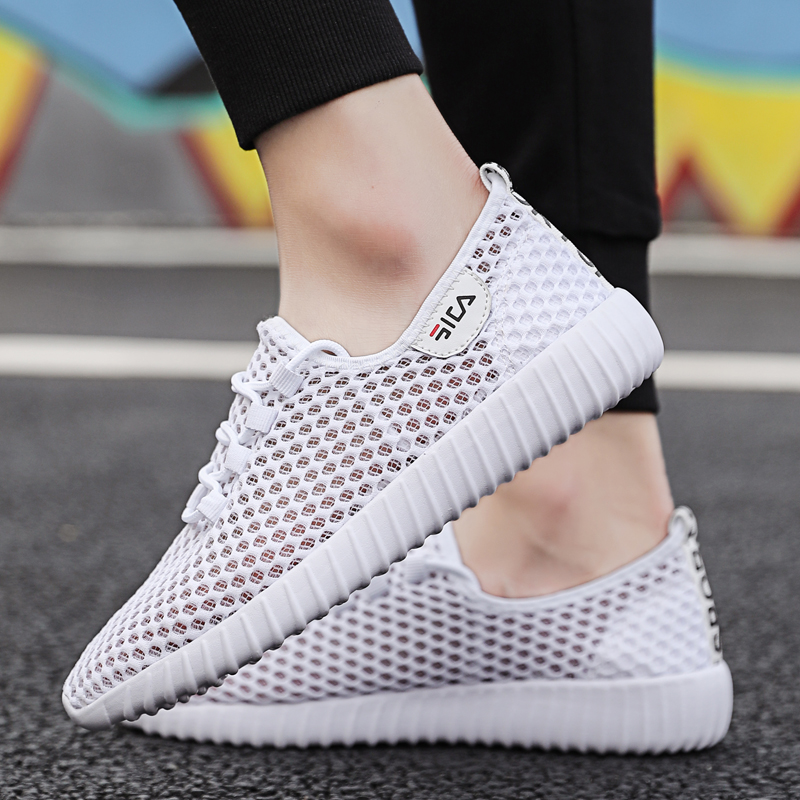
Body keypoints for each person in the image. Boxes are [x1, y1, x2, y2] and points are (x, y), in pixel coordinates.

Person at [62, 0, 732, 751]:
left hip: (423, 271)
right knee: (567, 483)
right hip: (613, 599)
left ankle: (379, 235)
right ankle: (579, 521)